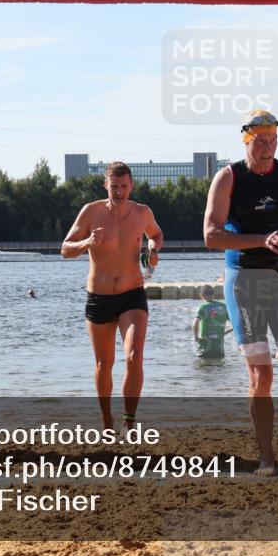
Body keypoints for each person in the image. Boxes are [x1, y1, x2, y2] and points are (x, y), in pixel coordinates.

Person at [203, 109, 278, 476]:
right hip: (245, 283)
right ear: (246, 141)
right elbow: (211, 235)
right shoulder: (228, 178)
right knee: (261, 376)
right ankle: (266, 454)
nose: (267, 148)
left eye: (272, 141)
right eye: (260, 142)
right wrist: (262, 239)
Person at [61, 161, 164, 431]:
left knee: (134, 356)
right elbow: (65, 249)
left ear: (131, 186)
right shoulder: (91, 211)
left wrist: (153, 249)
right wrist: (87, 242)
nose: (119, 192)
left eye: (124, 187)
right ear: (105, 185)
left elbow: (156, 234)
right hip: (99, 297)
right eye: (114, 187)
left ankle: (130, 420)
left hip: (132, 295)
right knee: (103, 363)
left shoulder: (142, 212)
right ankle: (107, 419)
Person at [192, 285, 228, 359]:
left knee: (202, 364)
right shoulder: (224, 306)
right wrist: (225, 332)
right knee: (219, 365)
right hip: (219, 350)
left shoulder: (203, 307)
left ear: (201, 295)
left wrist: (196, 336)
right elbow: (235, 323)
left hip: (205, 349)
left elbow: (195, 324)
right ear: (213, 294)